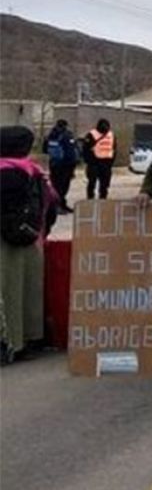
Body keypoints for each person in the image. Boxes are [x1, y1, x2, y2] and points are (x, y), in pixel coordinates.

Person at [0, 126, 58, 365]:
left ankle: (9, 342)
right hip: (32, 239)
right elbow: (52, 205)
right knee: (29, 290)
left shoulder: (2, 173)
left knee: (7, 293)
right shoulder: (35, 172)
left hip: (4, 242)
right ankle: (31, 339)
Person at [42, 120, 79, 213]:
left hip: (54, 164)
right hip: (66, 165)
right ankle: (59, 206)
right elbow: (71, 152)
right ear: (65, 126)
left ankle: (58, 205)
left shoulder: (50, 135)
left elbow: (45, 150)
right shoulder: (67, 135)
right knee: (63, 187)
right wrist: (74, 165)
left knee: (56, 185)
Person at [82, 118, 115, 200]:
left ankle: (103, 199)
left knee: (104, 184)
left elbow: (114, 149)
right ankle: (90, 199)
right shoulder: (91, 134)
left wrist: (111, 162)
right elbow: (85, 149)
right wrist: (89, 161)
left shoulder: (111, 135)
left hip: (106, 163)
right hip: (94, 163)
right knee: (92, 183)